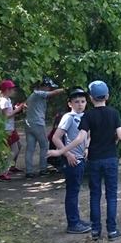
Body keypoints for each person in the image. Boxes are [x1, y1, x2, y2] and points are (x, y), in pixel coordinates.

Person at [80, 80, 121, 241]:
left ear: (90, 98)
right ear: (107, 96)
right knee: (111, 195)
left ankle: (95, 230)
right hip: (110, 158)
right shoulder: (113, 113)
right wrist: (114, 138)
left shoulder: (88, 115)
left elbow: (83, 136)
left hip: (94, 159)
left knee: (95, 195)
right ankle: (112, 230)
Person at [47, 87, 92, 234]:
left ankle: (76, 219)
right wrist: (67, 154)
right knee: (72, 192)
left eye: (83, 101)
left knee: (76, 190)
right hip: (72, 160)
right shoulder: (68, 117)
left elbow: (88, 135)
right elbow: (56, 138)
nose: (80, 104)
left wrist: (87, 148)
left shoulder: (85, 116)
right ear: (70, 104)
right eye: (76, 102)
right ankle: (73, 223)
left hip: (81, 158)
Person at [24, 77, 65, 179]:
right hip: (38, 123)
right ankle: (43, 169)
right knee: (44, 145)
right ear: (44, 86)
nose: (50, 89)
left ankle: (29, 171)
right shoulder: (39, 93)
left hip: (29, 123)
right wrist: (65, 89)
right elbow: (53, 93)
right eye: (49, 87)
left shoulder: (33, 95)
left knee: (30, 148)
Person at [0, 79, 26, 181]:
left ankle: (11, 166)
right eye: (12, 89)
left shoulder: (8, 100)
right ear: (7, 90)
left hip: (11, 127)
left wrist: (16, 108)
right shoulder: (4, 101)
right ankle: (3, 172)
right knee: (14, 150)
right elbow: (6, 116)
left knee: (18, 146)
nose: (14, 91)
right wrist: (17, 109)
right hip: (6, 129)